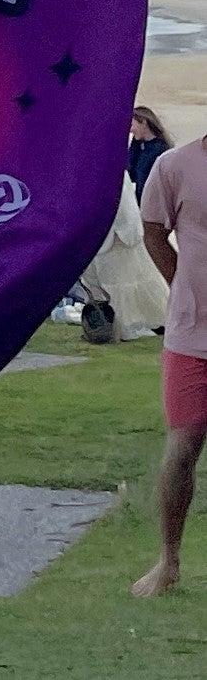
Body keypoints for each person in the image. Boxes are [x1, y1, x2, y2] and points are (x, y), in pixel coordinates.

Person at [136, 126, 207, 597]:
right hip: (191, 336)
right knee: (182, 449)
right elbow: (153, 233)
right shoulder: (174, 166)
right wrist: (182, 285)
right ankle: (168, 562)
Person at [85, 176, 171, 342]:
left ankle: (139, 323)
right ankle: (110, 325)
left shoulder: (113, 168)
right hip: (98, 231)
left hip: (121, 229)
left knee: (133, 277)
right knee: (107, 280)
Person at [132, 107, 173, 197]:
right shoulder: (137, 145)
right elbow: (130, 172)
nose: (131, 130)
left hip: (154, 199)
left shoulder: (161, 148)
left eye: (132, 125)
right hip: (140, 199)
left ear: (143, 122)